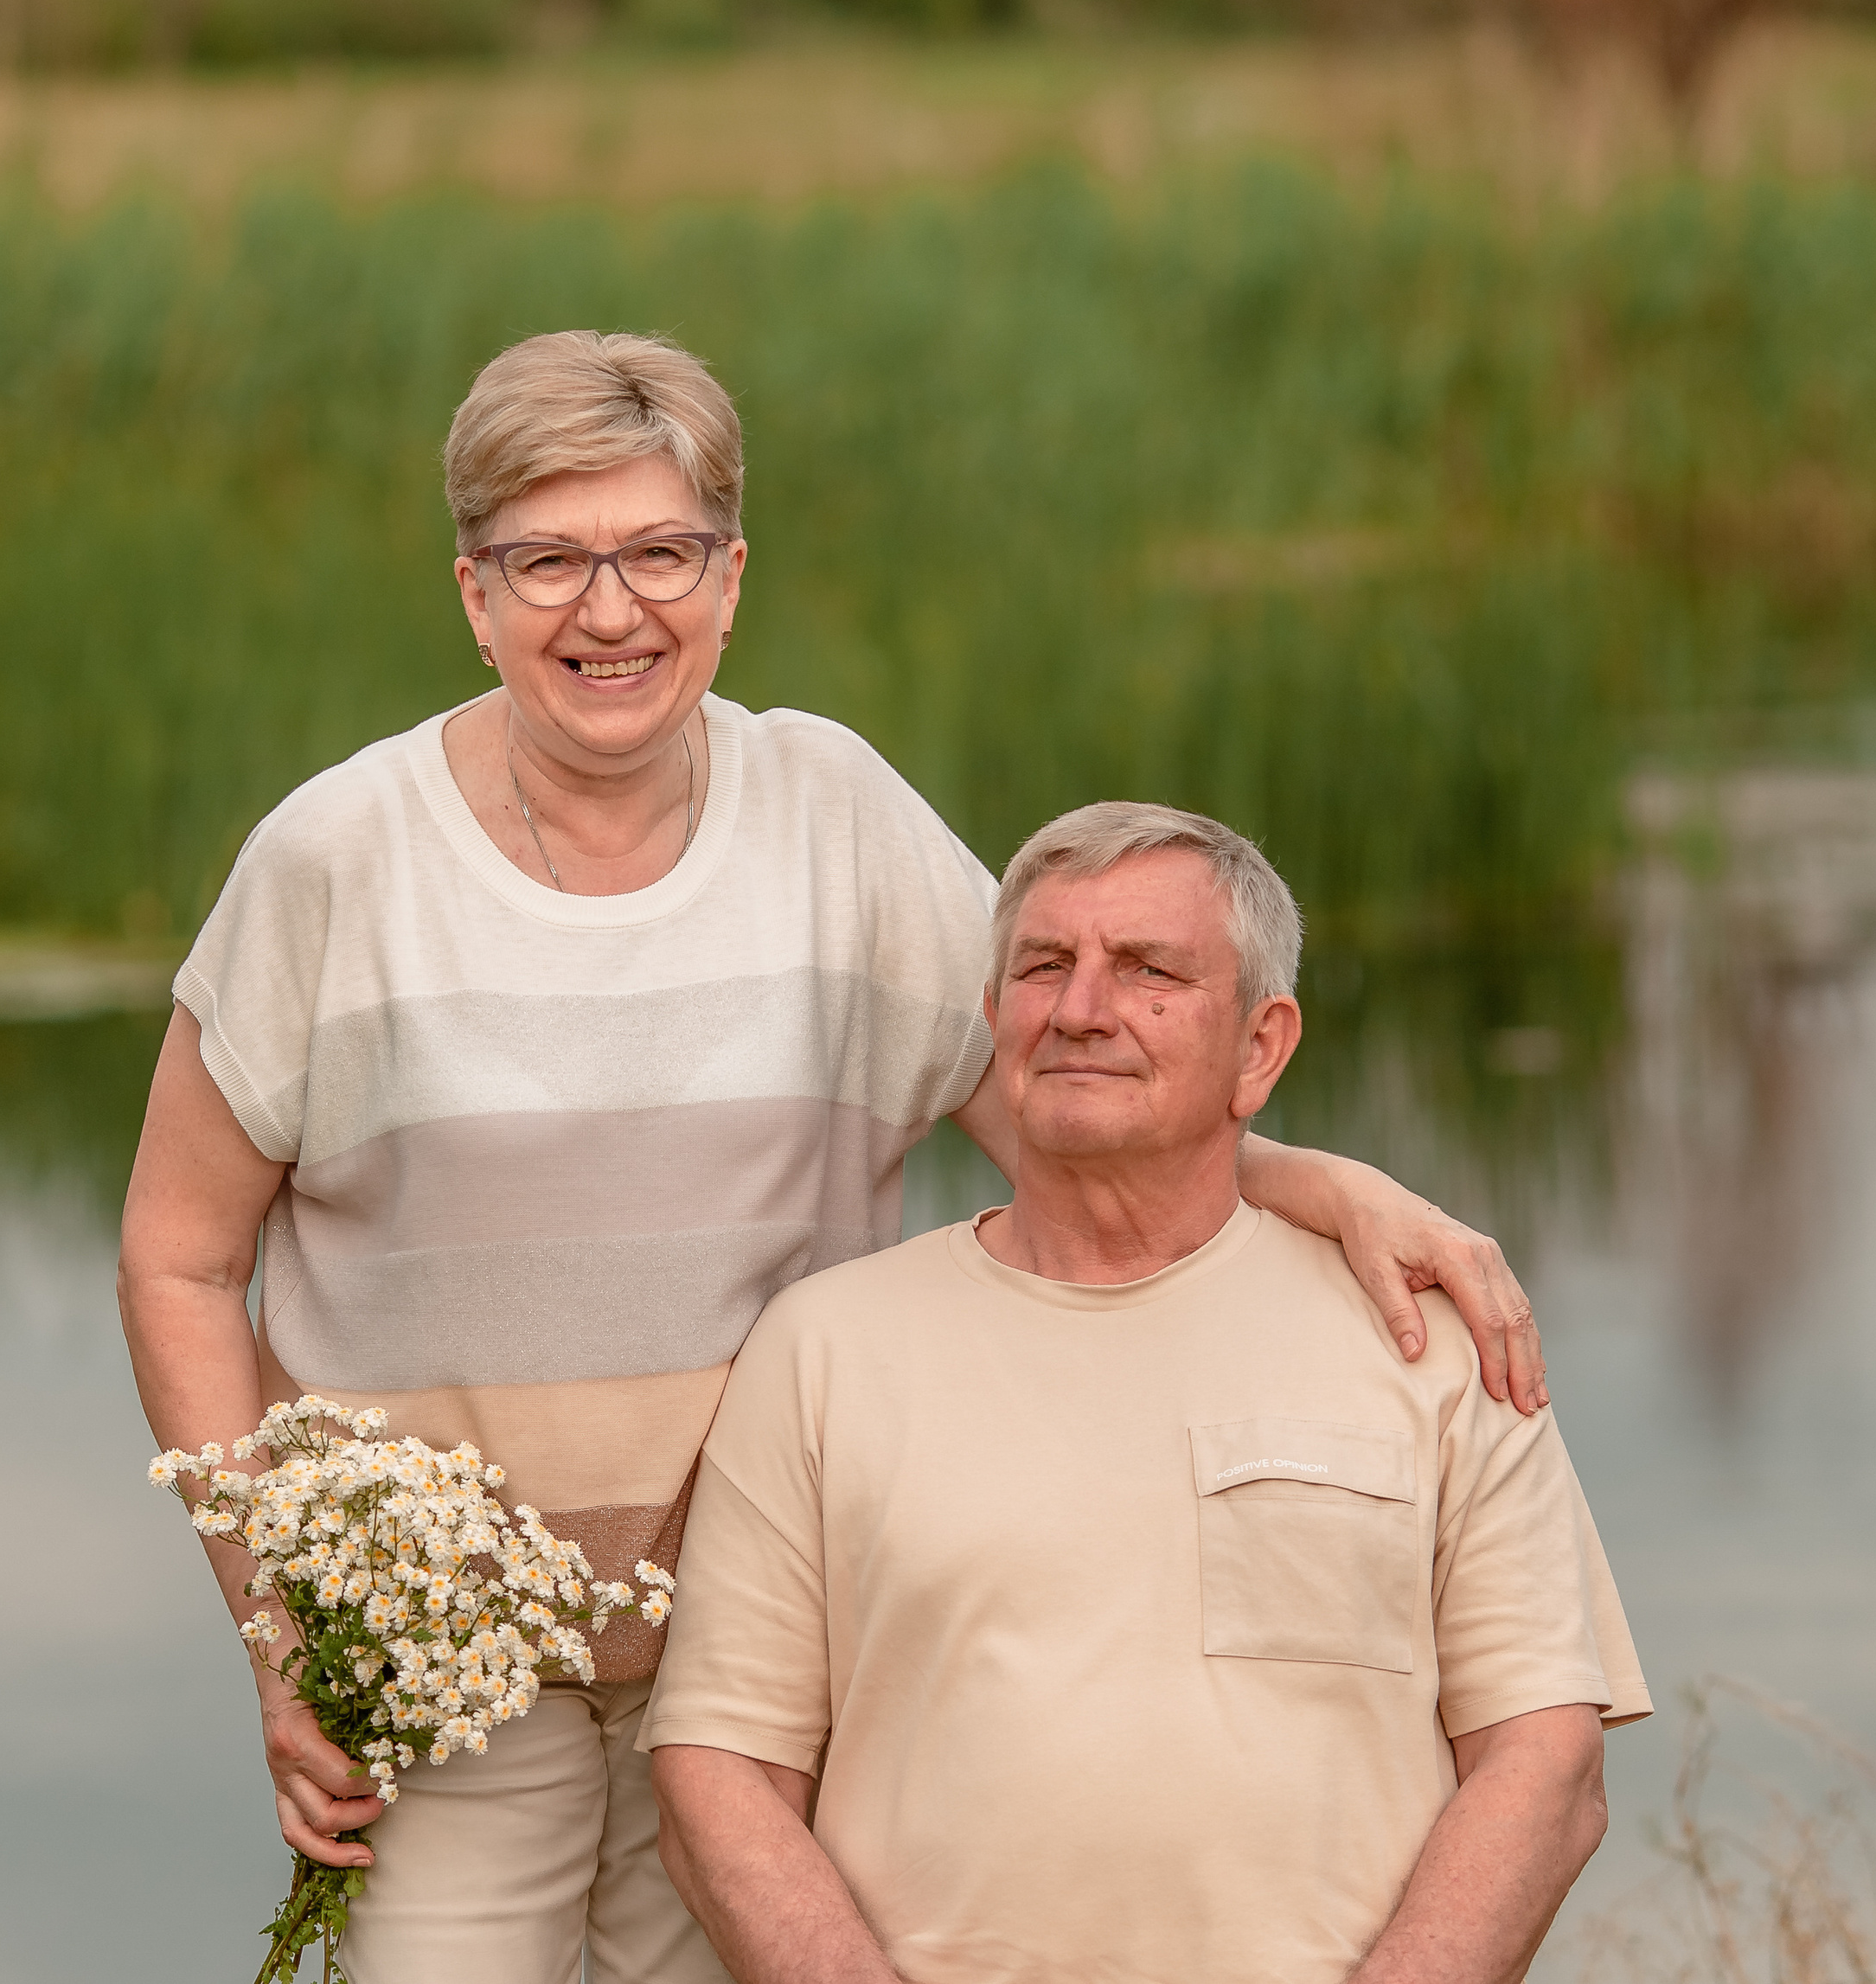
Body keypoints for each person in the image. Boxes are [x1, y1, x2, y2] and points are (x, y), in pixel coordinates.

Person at [116, 333, 1546, 1984]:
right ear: (473, 591)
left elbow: (1073, 1107)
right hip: (442, 1665)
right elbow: (182, 1258)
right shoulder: (333, 860)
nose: (609, 609)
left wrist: (1325, 1183)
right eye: (549, 560)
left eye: (659, 552)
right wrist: (280, 1621)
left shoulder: (835, 815)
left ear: (731, 576)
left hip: (763, 1659)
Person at [646, 801, 1649, 1984]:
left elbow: (1546, 1762)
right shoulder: (823, 1347)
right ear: (993, 1019)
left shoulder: (1429, 1337)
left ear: (1261, 1046)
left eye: (1147, 970)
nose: (1080, 1009)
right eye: (1043, 966)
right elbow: (719, 1776)